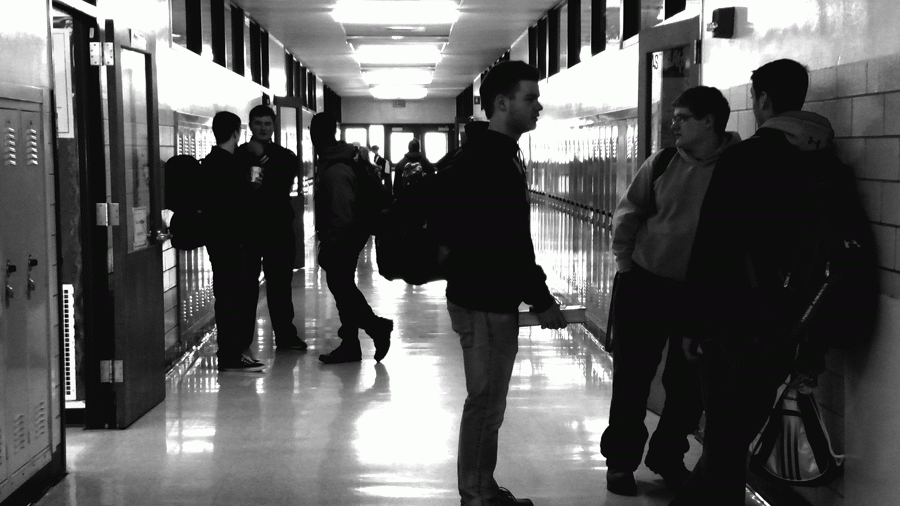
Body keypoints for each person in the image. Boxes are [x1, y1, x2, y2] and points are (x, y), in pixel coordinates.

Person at [673, 59, 838, 505]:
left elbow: (712, 247)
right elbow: (832, 255)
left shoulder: (744, 159)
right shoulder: (826, 161)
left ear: (763, 100)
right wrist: (814, 342)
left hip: (732, 324)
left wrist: (692, 324)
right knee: (731, 441)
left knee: (724, 447)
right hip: (787, 329)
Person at [434, 60, 567, 506]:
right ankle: (475, 494)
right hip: (485, 299)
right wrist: (543, 300)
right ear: (501, 103)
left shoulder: (490, 154)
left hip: (480, 295)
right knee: (486, 403)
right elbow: (508, 244)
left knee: (488, 404)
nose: (538, 106)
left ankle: (482, 486)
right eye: (530, 98)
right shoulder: (490, 162)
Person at [600, 86, 741, 496]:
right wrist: (626, 266)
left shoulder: (738, 166)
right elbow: (629, 213)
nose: (673, 124)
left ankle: (667, 455)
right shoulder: (662, 162)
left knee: (688, 384)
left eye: (682, 117)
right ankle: (621, 463)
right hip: (645, 283)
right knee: (632, 377)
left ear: (709, 121)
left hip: (700, 294)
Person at [310, 112, 393, 364]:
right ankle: (351, 344)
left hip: (344, 237)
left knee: (342, 288)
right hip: (352, 234)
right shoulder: (340, 159)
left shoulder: (336, 169)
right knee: (342, 288)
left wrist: (330, 244)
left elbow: (342, 214)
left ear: (315, 136)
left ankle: (377, 327)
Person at [236, 105, 307, 351]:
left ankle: (286, 336)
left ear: (273, 126)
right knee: (246, 287)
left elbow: (280, 184)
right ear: (250, 126)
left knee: (279, 286)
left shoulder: (286, 156)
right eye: (258, 124)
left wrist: (262, 158)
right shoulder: (240, 155)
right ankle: (243, 340)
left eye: (267, 124)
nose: (263, 128)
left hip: (278, 230)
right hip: (249, 230)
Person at [203, 111, 264, 372]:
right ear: (237, 133)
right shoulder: (233, 165)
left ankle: (229, 352)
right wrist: (257, 163)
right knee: (232, 299)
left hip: (216, 239)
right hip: (233, 240)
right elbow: (253, 190)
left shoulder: (209, 163)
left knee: (225, 297)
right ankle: (230, 354)